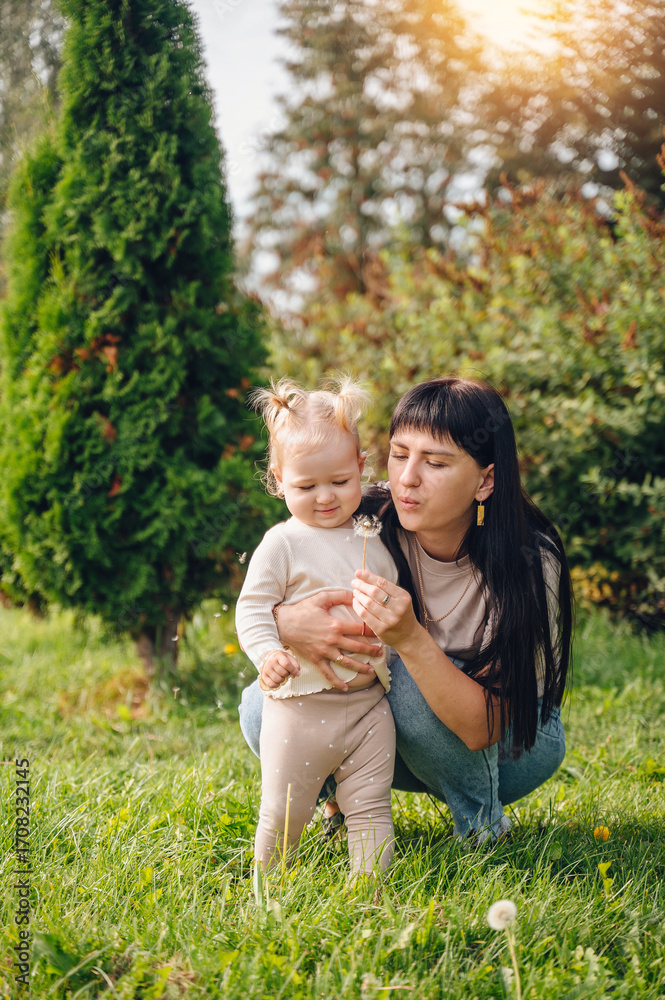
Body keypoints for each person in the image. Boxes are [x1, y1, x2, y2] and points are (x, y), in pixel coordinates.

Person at [239, 375, 572, 844]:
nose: (407, 478)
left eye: (434, 462)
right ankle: (338, 806)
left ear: (485, 479)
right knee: (261, 706)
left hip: (514, 744)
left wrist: (411, 638)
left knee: (409, 686)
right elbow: (265, 594)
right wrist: (289, 622)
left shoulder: (528, 563)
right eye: (399, 454)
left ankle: (482, 823)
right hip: (391, 731)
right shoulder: (367, 519)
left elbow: (484, 728)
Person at [235, 376, 398, 876]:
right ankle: (269, 893)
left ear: (361, 470)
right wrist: (268, 654)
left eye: (339, 482)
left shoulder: (371, 535)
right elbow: (252, 608)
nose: (325, 497)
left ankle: (370, 895)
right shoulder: (282, 544)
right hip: (301, 708)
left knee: (371, 807)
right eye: (306, 486)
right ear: (278, 480)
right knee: (285, 812)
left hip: (370, 706)